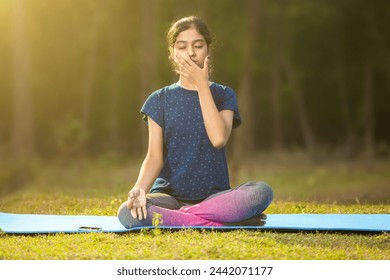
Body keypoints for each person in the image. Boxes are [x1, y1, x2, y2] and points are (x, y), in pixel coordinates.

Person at [117, 16, 273, 228]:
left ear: (208, 50)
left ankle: (187, 217)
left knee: (261, 192)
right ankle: (216, 220)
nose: (190, 53)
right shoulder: (159, 99)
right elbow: (154, 156)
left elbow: (218, 139)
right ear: (173, 52)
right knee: (127, 212)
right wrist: (139, 190)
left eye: (198, 46)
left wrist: (201, 85)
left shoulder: (223, 95)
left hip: (214, 199)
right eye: (182, 46)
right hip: (168, 198)